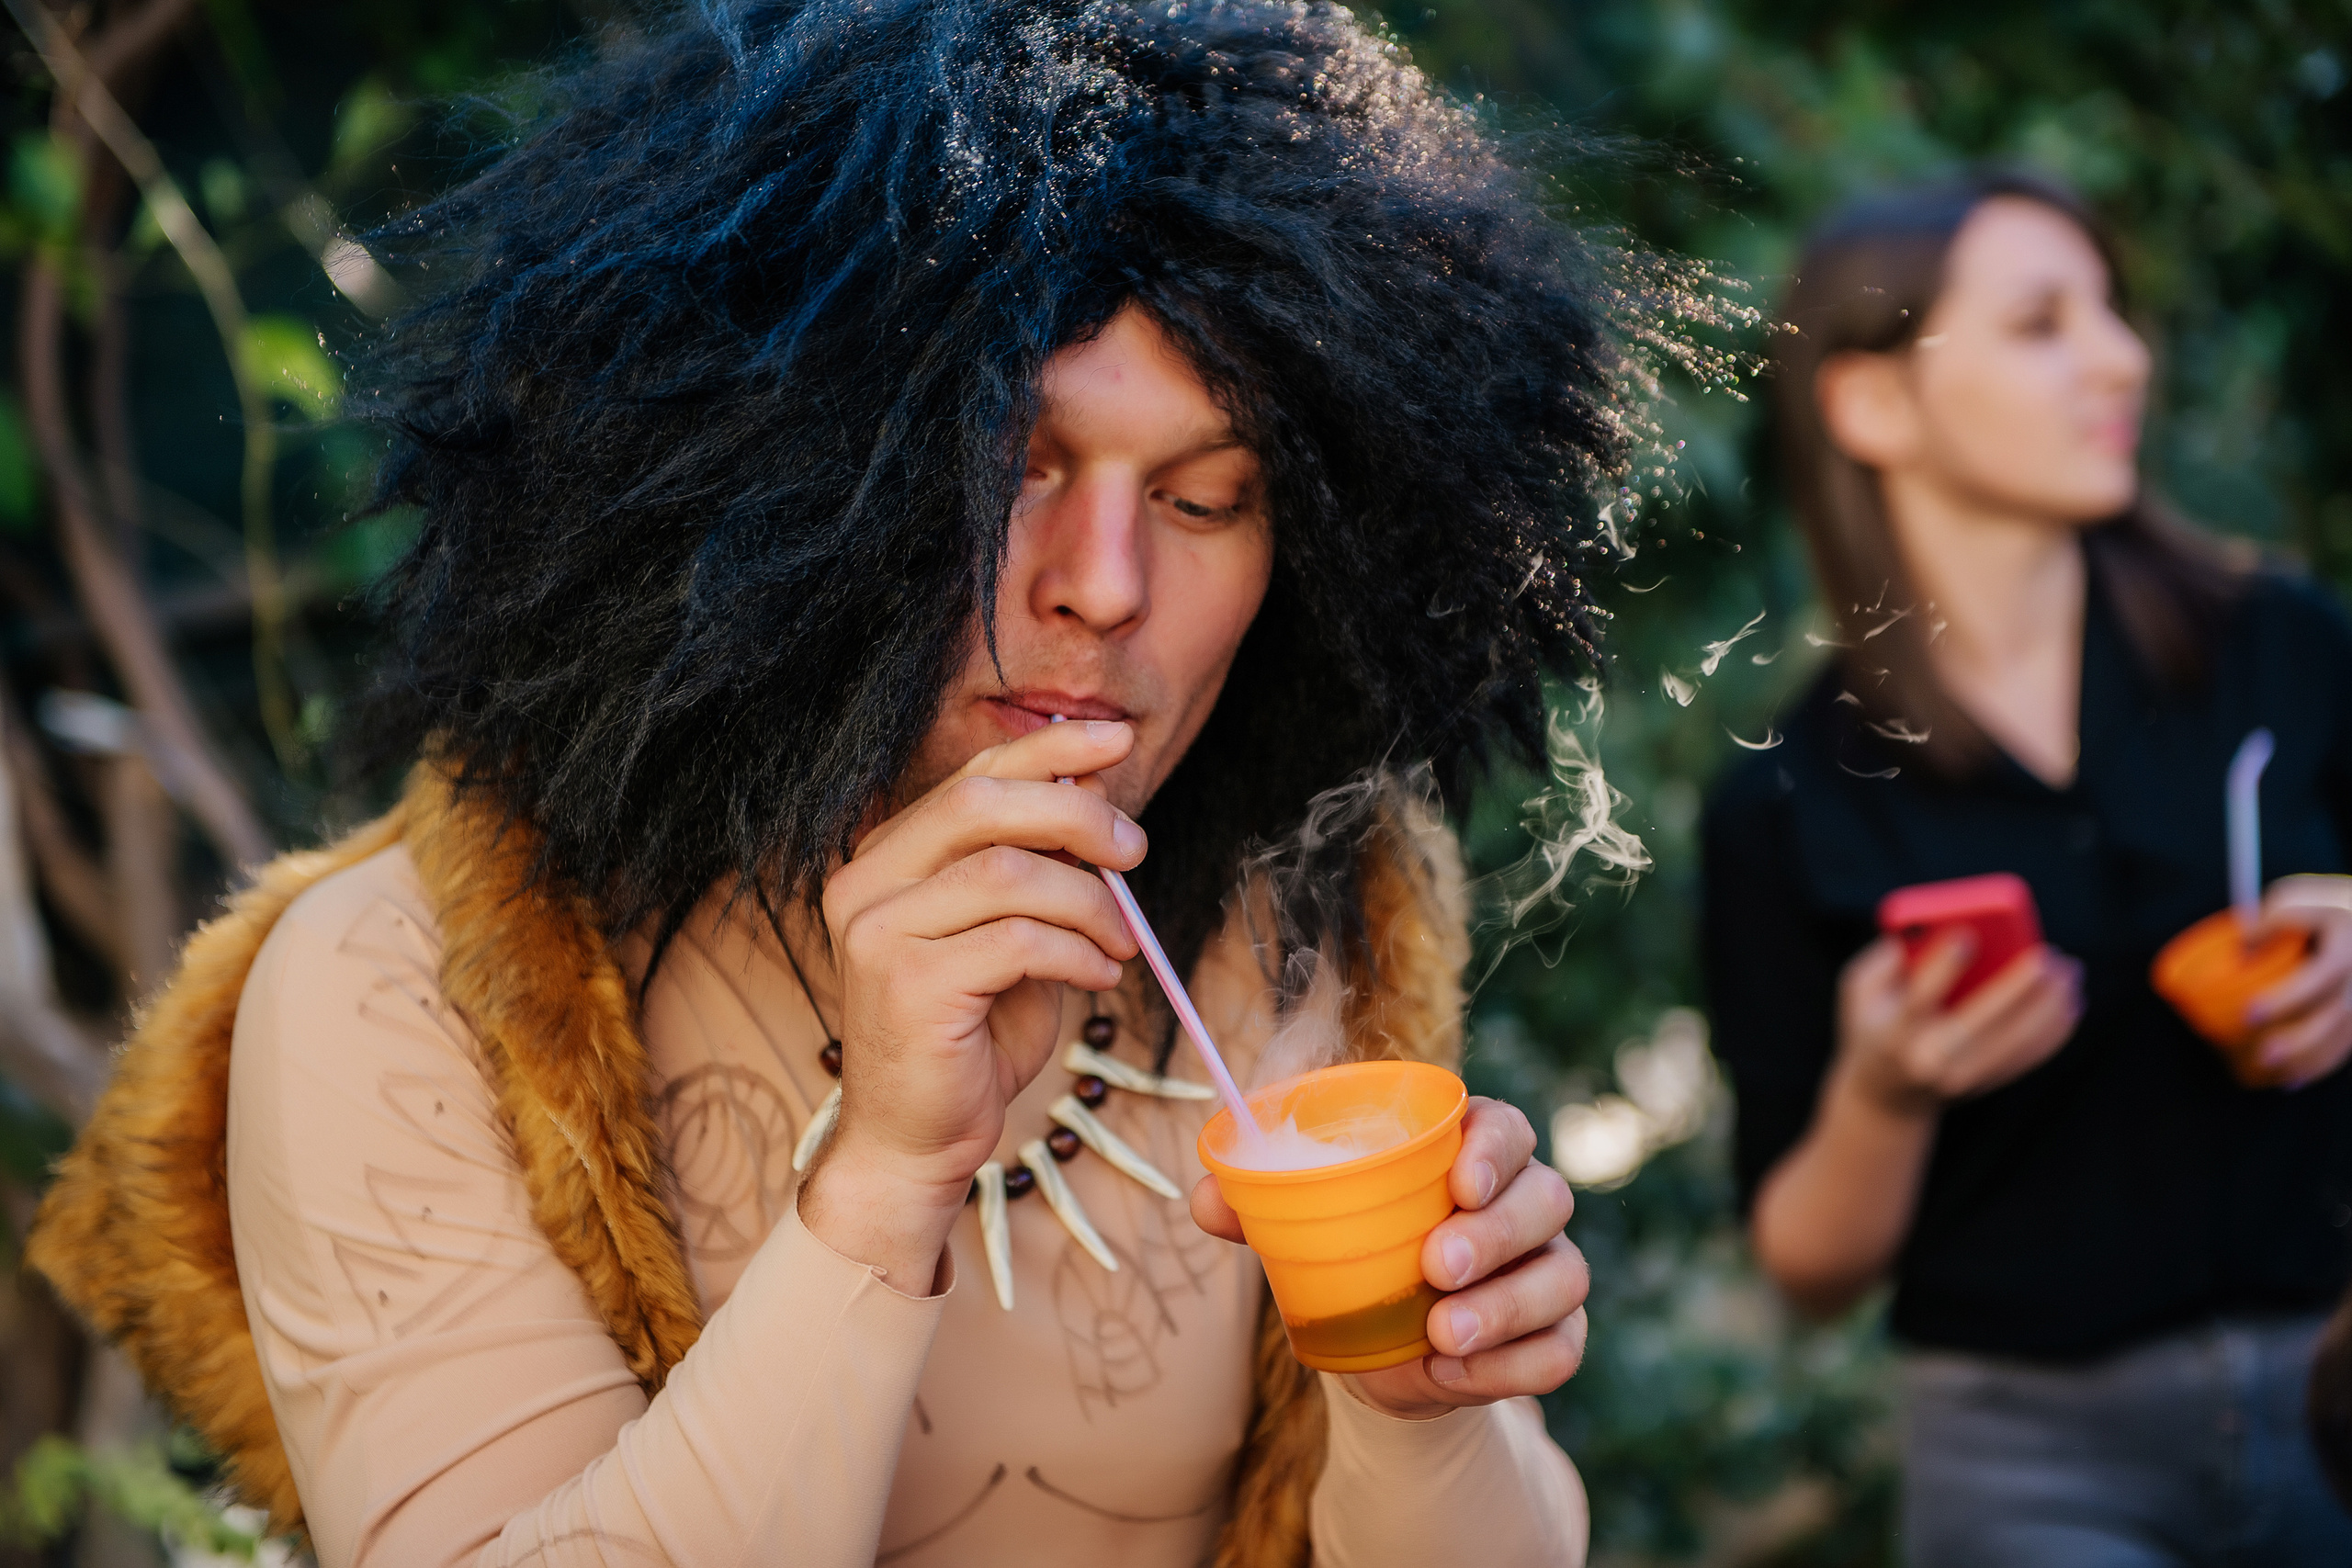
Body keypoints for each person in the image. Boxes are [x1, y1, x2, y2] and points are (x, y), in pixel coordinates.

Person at [26, 4, 1625, 1564]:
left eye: (1208, 499)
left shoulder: (1310, 928)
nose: (1105, 584)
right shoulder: (401, 985)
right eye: (1014, 463)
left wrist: (1424, 1413)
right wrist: (880, 1187)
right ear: (780, 475)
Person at [1703, 171, 2352, 1566]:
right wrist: (1885, 1089)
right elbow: (1807, 1269)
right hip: (2029, 1464)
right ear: (1874, 405)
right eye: (2044, 322)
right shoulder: (1785, 801)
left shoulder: (2284, 648)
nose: (2122, 356)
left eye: (2112, 313)